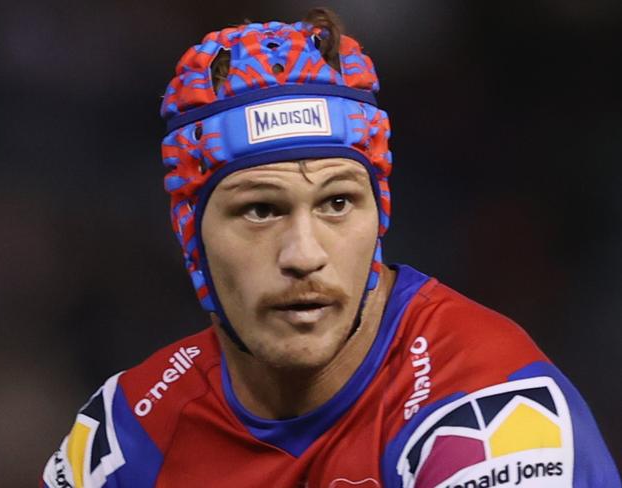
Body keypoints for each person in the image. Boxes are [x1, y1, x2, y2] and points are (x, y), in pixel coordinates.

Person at [41, 8, 620, 488]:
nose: (304, 254)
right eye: (260, 210)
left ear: (380, 213)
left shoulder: (488, 411)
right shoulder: (127, 432)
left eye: (337, 203)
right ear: (190, 234)